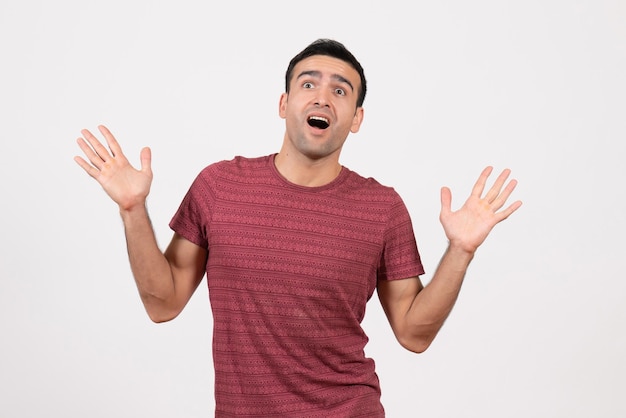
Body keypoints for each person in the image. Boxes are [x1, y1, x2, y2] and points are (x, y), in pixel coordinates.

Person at [74, 38, 521, 417]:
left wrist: (461, 251)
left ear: (357, 118)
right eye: (308, 84)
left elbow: (413, 333)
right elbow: (163, 303)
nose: (322, 98)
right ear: (285, 104)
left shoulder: (382, 208)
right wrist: (133, 209)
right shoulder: (219, 186)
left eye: (341, 91)